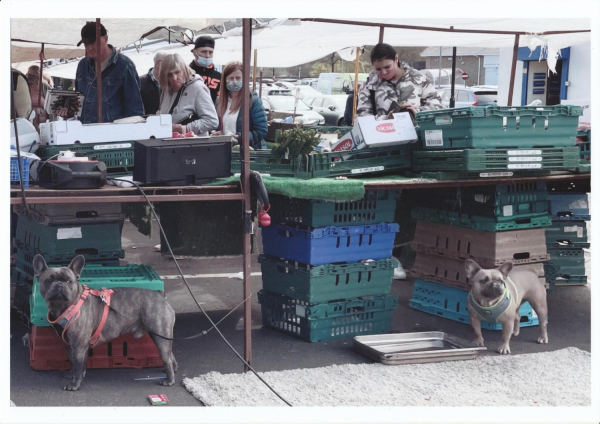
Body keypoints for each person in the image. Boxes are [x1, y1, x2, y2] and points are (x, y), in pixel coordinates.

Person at [74, 22, 144, 123]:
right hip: (85, 134)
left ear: (105, 38)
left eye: (93, 42)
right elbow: (77, 103)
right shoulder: (83, 66)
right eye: (86, 44)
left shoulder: (124, 66)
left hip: (114, 135)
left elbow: (135, 111)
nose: (89, 47)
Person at [357, 43, 445, 119]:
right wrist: (386, 119)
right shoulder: (370, 85)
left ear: (396, 59)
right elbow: (362, 118)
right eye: (378, 69)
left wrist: (416, 112)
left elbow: (439, 108)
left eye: (387, 67)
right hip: (385, 135)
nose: (384, 72)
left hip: (416, 136)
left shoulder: (419, 79)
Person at [159, 53, 218, 136]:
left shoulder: (198, 88)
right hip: (170, 144)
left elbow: (212, 121)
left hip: (193, 145)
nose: (174, 78)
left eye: (177, 72)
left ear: (184, 70)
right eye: (169, 75)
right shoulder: (166, 90)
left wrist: (186, 128)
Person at [213, 61, 267, 149]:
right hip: (226, 150)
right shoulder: (220, 101)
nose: (234, 82)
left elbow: (261, 131)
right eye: (231, 78)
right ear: (225, 80)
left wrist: (241, 137)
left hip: (248, 152)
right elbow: (219, 126)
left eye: (238, 78)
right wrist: (218, 133)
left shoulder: (253, 101)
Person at [189, 36, 221, 104]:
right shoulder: (186, 73)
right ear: (194, 52)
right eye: (203, 52)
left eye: (210, 52)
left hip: (211, 113)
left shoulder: (219, 77)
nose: (207, 56)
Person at [140, 50, 168, 115]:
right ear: (158, 63)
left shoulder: (172, 80)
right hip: (148, 122)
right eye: (167, 62)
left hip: (168, 122)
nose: (170, 65)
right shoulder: (140, 82)